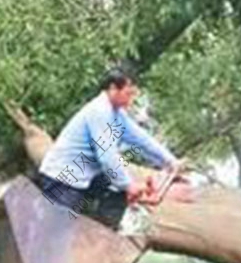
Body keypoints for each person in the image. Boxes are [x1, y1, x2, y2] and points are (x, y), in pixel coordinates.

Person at [36, 67, 181, 230]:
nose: (131, 100)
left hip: (84, 176)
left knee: (117, 191)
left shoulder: (117, 116)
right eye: (128, 94)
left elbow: (141, 139)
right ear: (113, 89)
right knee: (53, 235)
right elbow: (107, 157)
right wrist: (128, 185)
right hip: (62, 179)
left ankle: (101, 233)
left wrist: (169, 161)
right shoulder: (99, 112)